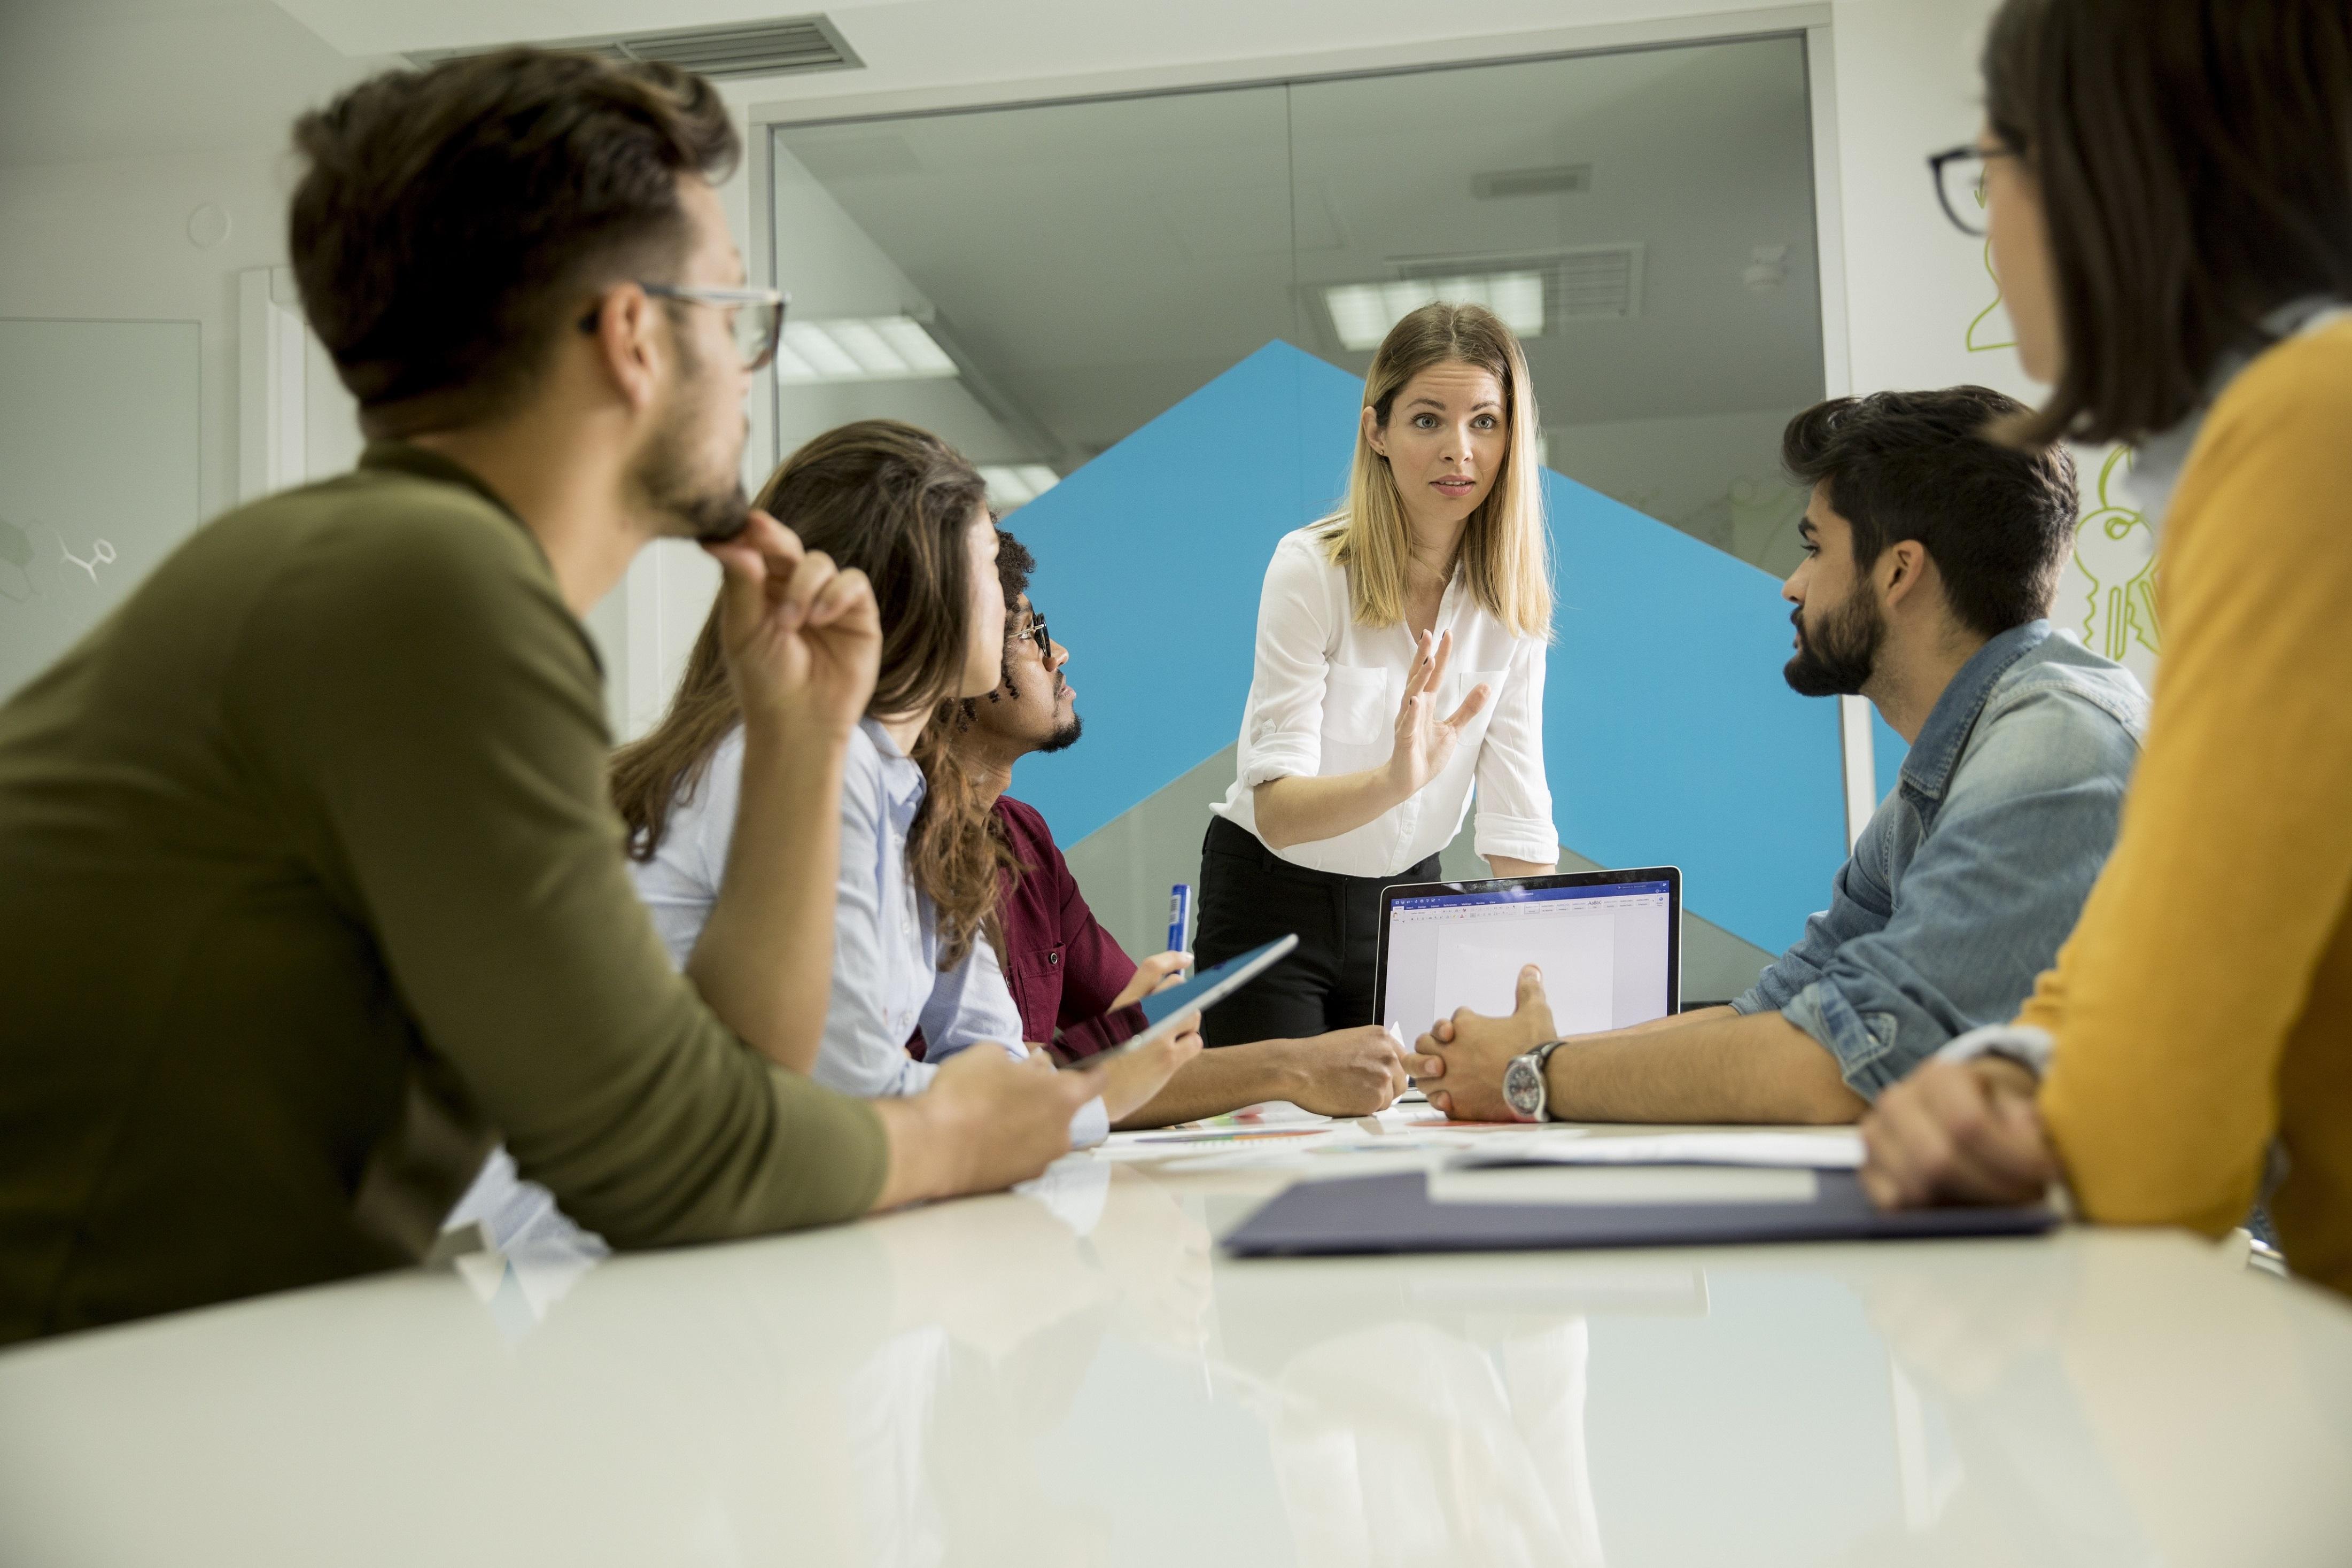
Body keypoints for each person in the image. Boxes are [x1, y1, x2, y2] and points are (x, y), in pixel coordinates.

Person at [0, 53, 1113, 1345]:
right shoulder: (425, 593)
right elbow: (665, 1156)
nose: (747, 372)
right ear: (635, 336)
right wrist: (946, 1139)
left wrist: (805, 740)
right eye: (734, 315)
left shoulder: (381, 565)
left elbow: (731, 1081)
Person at [1849, 0, 2352, 1299]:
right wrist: (2016, 1075)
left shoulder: (2306, 434)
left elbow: (2155, 1142)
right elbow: (2157, 929)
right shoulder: (2278, 429)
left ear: (2102, 164)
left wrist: (2023, 1120)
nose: (1992, 233)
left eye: (1988, 170)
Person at [1418, 386, 2147, 1125]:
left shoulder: (2052, 751)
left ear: (1899, 572)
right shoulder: (1937, 786)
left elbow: (1841, 1064)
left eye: (1814, 547)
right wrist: (1535, 1058)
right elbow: (1779, 1012)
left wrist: (1533, 1075)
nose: (1791, 584)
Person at [616, 422, 1196, 1142]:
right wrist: (1088, 1098)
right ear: (927, 583)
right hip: (666, 1225)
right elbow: (854, 1087)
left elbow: (990, 1051)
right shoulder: (804, 764)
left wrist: (1061, 1093)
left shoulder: (913, 791)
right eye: (990, 565)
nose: (1013, 596)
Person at [951, 529, 1443, 1126]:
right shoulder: (891, 850)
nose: (1059, 655)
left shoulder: (1024, 840)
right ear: (956, 662)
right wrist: (1290, 1067)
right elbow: (987, 1100)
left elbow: (1149, 1049)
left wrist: (1137, 1037)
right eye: (1033, 635)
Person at [1194, 301, 1559, 1045]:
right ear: (1378, 433)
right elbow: (1279, 812)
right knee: (1277, 1134)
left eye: (1485, 421)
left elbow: (1517, 814)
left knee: (1410, 1127)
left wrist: (1536, 974)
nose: (1460, 450)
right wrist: (1398, 778)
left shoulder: (1512, 603)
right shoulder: (1310, 568)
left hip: (1407, 899)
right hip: (1272, 894)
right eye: (1428, 419)